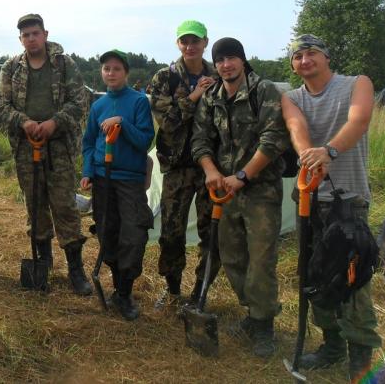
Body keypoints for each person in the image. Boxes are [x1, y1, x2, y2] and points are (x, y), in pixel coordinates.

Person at [282, 34, 381, 380]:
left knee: (354, 278)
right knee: (316, 274)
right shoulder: (291, 97)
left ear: (326, 57)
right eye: (298, 56)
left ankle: (360, 356)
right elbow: (297, 128)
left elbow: (359, 121)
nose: (305, 60)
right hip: (309, 201)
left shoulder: (357, 84)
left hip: (349, 201)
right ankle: (331, 346)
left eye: (312, 53)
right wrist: (310, 156)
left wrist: (330, 152)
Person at [191, 37, 289, 357]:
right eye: (220, 60)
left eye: (232, 58)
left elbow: (274, 140)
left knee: (261, 260)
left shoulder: (265, 91)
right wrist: (210, 170)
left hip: (261, 191)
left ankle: (263, 326)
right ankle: (254, 311)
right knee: (232, 257)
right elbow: (200, 140)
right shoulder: (212, 96)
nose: (226, 65)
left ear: (243, 61)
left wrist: (243, 176)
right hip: (225, 192)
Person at [0, 14, 92, 295]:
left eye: (35, 33)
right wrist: (25, 123)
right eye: (26, 35)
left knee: (64, 206)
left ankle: (76, 269)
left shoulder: (64, 65)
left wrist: (54, 123)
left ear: (45, 34)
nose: (31, 39)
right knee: (35, 205)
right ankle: (43, 262)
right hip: (26, 147)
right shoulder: (12, 67)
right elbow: (1, 105)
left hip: (59, 147)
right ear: (20, 39)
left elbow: (79, 102)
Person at [149, 20, 219, 310]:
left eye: (196, 41)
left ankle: (200, 294)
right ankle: (173, 289)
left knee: (211, 233)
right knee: (172, 232)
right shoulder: (165, 78)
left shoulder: (220, 74)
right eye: (184, 41)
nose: (190, 46)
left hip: (212, 168)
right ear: (178, 44)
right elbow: (167, 122)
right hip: (177, 167)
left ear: (205, 43)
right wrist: (194, 96)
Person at [81, 50, 155, 320]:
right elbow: (89, 142)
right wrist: (88, 171)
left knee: (133, 235)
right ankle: (115, 287)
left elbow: (145, 140)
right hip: (103, 179)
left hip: (129, 180)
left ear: (126, 73)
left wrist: (122, 124)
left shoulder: (138, 102)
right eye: (106, 69)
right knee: (107, 232)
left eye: (116, 69)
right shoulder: (98, 106)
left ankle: (125, 292)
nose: (110, 73)